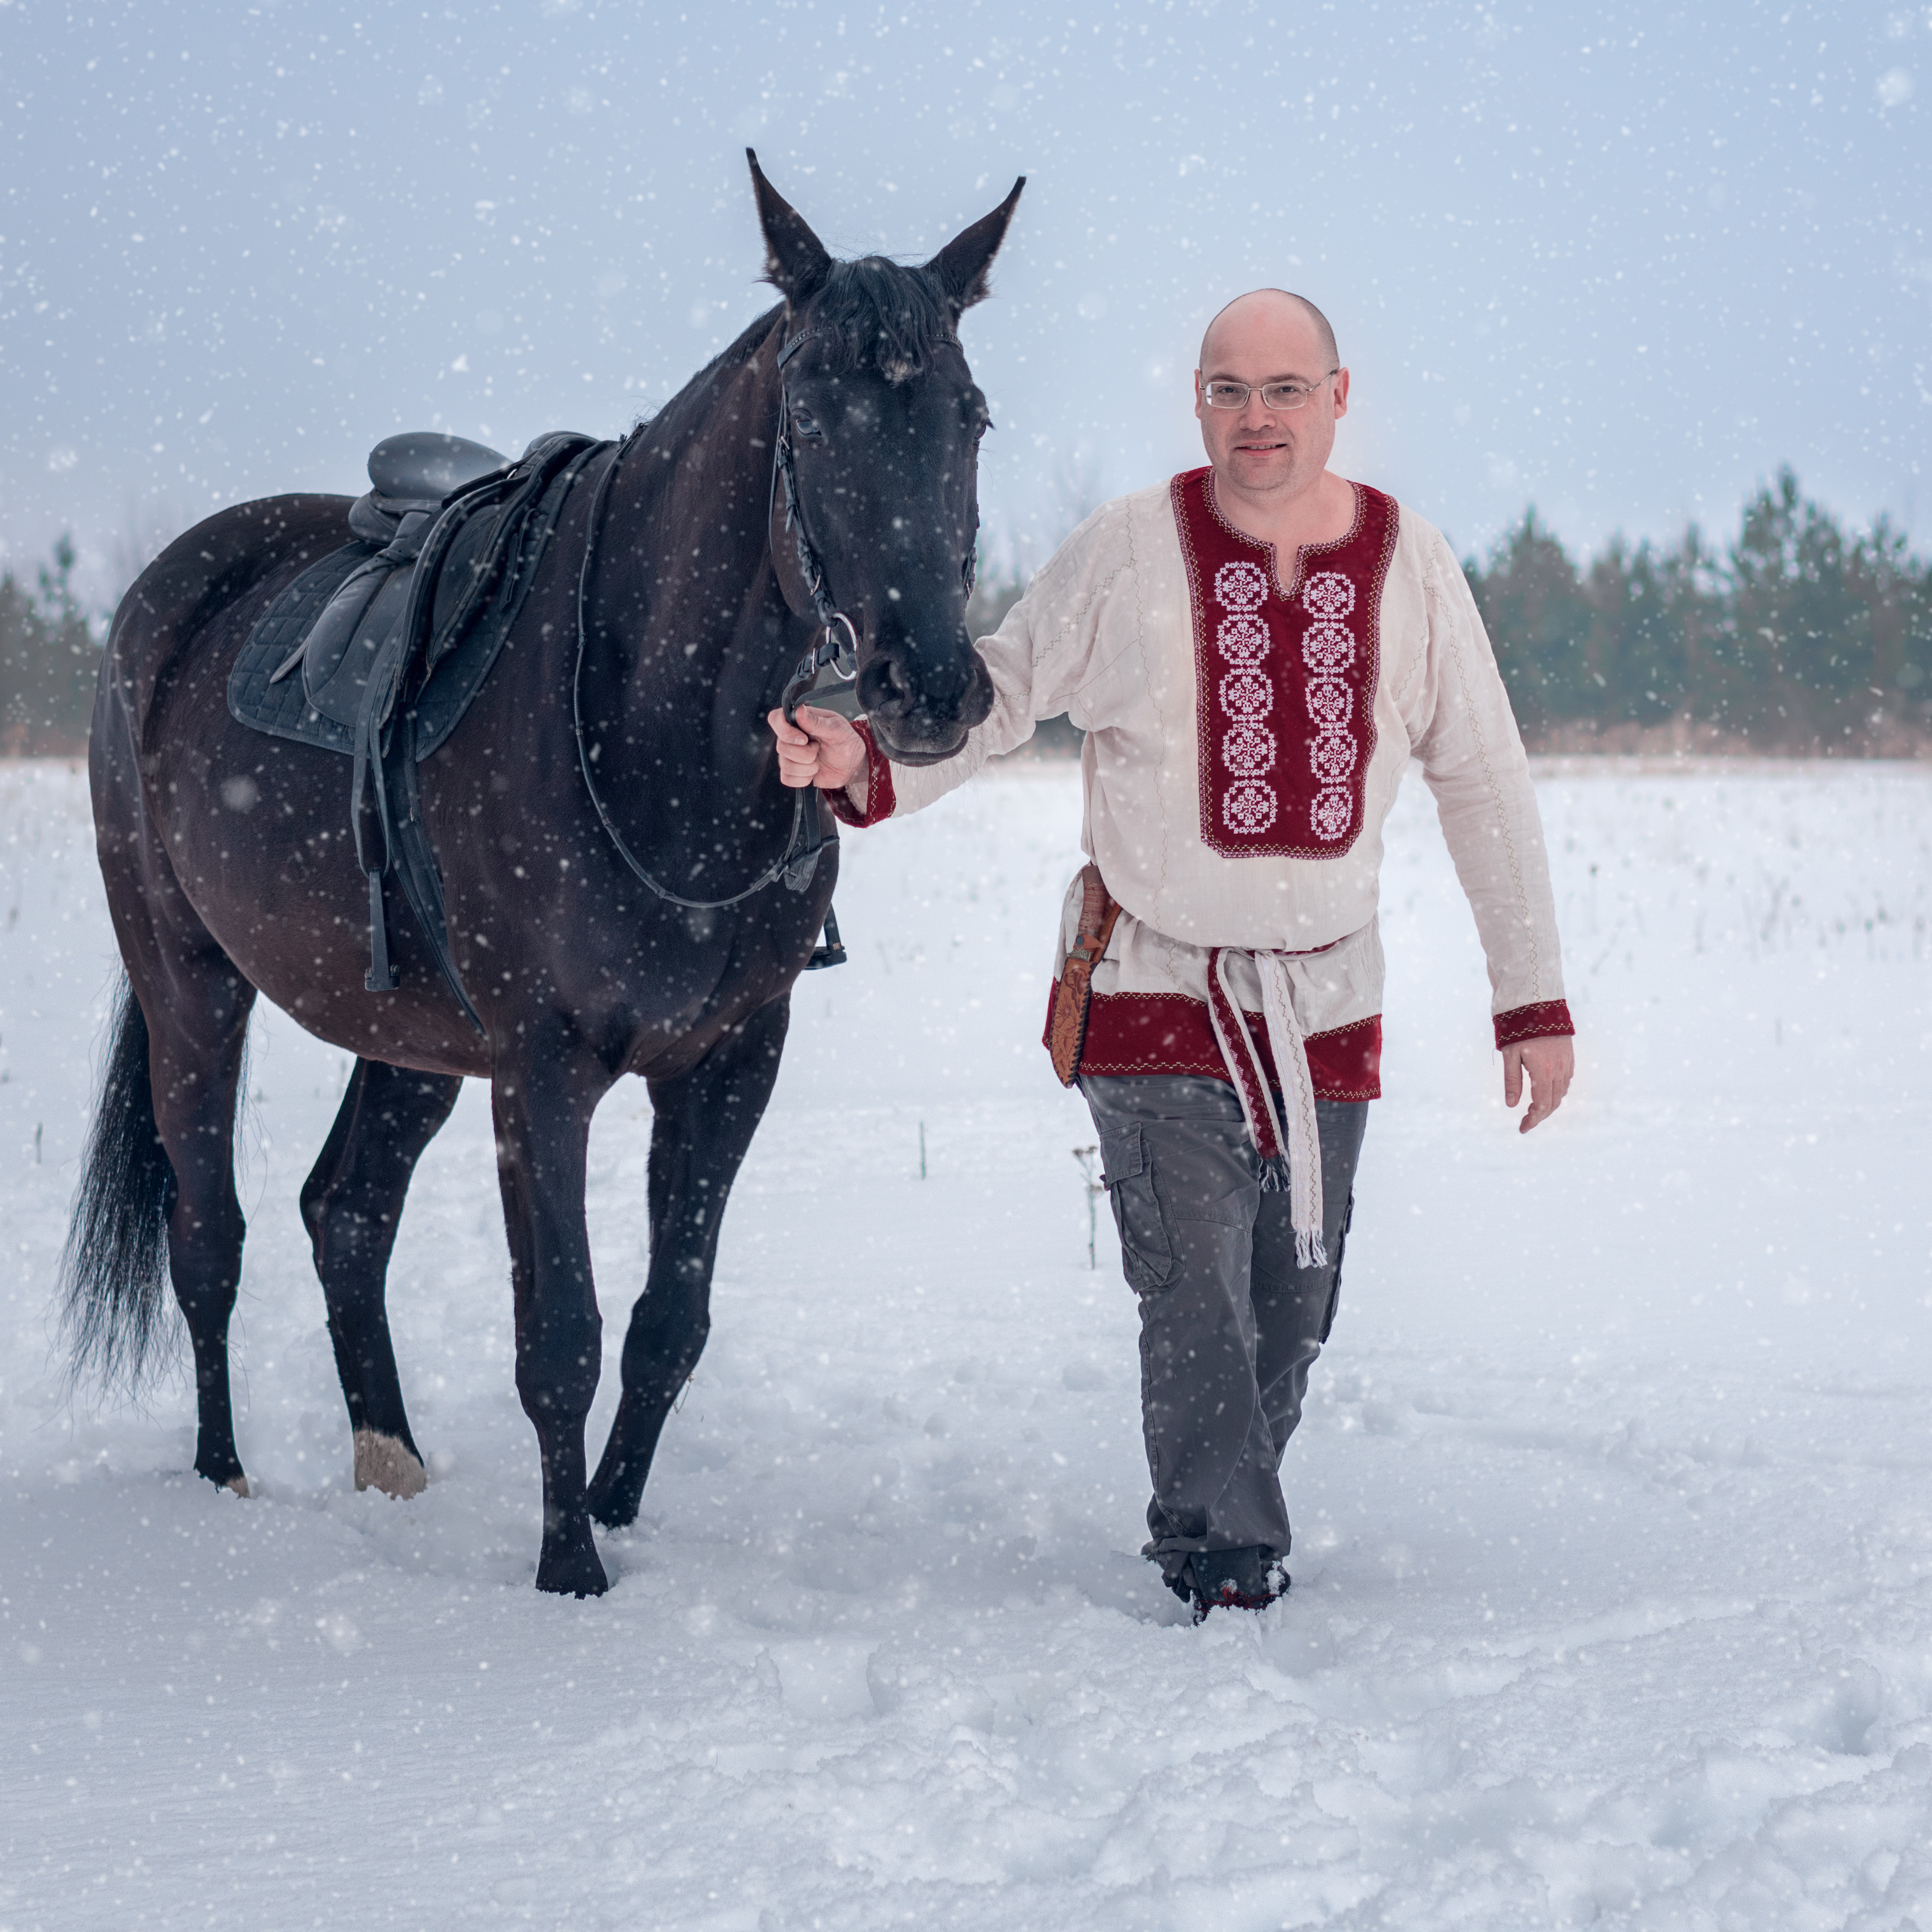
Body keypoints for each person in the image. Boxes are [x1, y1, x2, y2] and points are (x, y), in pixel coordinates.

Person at [768, 289, 1576, 1620]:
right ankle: (1224, 1557)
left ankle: (1220, 1495)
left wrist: (1530, 1002)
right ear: (1197, 399)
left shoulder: (1411, 560)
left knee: (1293, 1303)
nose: (1255, 418)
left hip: (1329, 1003)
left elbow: (1483, 780)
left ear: (1337, 395)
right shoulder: (1128, 549)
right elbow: (1002, 695)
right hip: (1151, 983)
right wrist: (868, 764)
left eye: (1282, 389)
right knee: (1195, 1290)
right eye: (1228, 390)